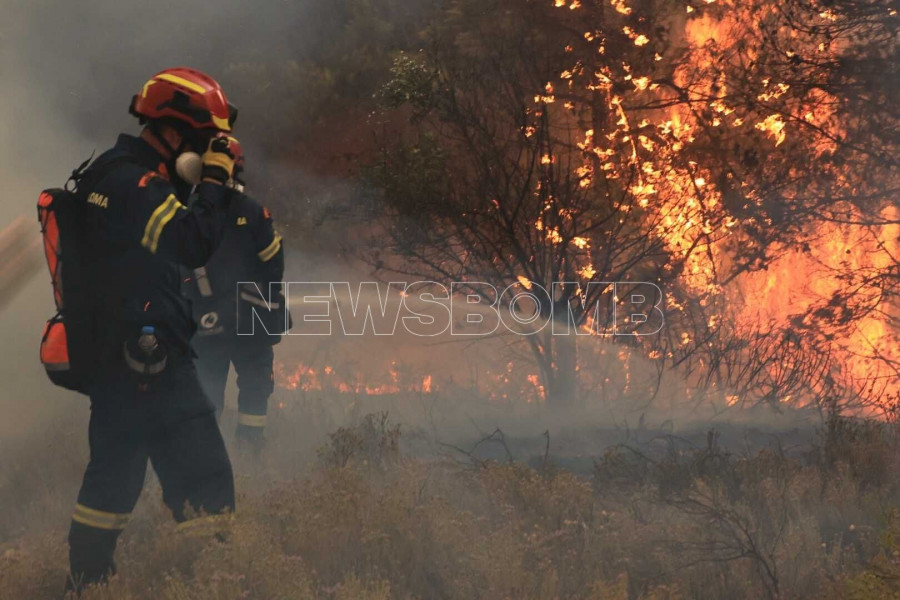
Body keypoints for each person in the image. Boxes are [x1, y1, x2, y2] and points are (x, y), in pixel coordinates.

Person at [65, 67, 241, 593]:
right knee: (205, 480)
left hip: (123, 361)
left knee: (113, 479)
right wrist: (215, 184)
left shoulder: (115, 173)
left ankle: (87, 584)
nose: (208, 154)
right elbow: (191, 243)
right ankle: (216, 580)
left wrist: (209, 184)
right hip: (150, 366)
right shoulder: (136, 184)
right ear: (172, 131)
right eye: (205, 143)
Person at [188, 139, 286, 451]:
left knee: (210, 391)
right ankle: (248, 451)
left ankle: (209, 455)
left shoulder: (189, 212)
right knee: (251, 389)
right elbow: (274, 267)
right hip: (246, 321)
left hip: (208, 321)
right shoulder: (253, 211)